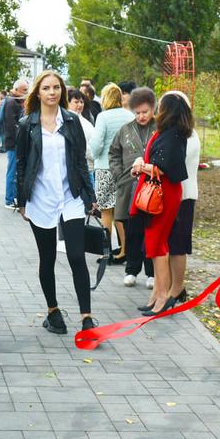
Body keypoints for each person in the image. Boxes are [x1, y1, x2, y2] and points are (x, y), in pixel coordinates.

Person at [16, 72, 99, 336]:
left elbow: (80, 163)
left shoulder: (73, 121)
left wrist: (90, 195)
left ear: (61, 91)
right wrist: (21, 200)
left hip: (70, 196)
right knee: (47, 258)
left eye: (56, 88)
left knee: (76, 256)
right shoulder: (27, 124)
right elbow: (21, 165)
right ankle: (53, 312)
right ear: (38, 93)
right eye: (46, 88)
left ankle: (87, 317)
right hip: (40, 198)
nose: (52, 92)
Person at [129, 92, 192, 316]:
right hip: (162, 192)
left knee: (157, 245)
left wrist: (140, 165)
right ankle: (157, 295)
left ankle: (163, 296)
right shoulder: (171, 133)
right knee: (156, 244)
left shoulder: (173, 135)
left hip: (163, 193)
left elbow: (164, 168)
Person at [111, 87, 157, 288]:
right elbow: (113, 153)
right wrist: (118, 174)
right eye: (137, 112)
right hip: (129, 187)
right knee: (132, 231)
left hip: (153, 189)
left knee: (150, 231)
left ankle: (152, 273)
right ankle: (131, 270)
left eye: (145, 112)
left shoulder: (160, 129)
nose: (141, 116)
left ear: (153, 109)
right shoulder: (125, 130)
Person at [90, 83, 133, 263]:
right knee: (122, 213)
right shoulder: (130, 116)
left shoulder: (103, 117)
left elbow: (97, 144)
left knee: (106, 212)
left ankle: (105, 250)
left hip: (105, 168)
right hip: (125, 170)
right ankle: (125, 250)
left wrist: (93, 153)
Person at [167, 90, 200, 302]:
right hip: (177, 196)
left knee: (178, 246)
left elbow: (172, 164)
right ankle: (175, 286)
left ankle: (176, 288)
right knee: (172, 245)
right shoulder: (184, 133)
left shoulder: (186, 136)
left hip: (183, 197)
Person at [1, 79, 27, 209]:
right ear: (15, 90)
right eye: (24, 90)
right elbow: (11, 125)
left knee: (16, 171)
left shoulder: (15, 101)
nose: (26, 92)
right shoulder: (11, 102)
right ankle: (9, 200)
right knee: (12, 171)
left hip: (15, 142)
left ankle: (14, 198)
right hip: (13, 143)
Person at [66, 89, 97, 175]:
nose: (79, 105)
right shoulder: (70, 120)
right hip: (82, 167)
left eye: (81, 102)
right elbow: (82, 145)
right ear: (68, 103)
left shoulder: (83, 119)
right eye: (76, 102)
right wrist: (96, 157)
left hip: (89, 167)